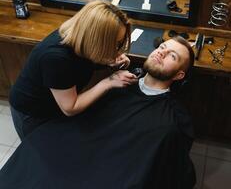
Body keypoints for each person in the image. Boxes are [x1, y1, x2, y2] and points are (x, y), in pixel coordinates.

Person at [0, 36, 196, 189]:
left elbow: (167, 171)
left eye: (172, 56)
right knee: (33, 160)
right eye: (162, 47)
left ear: (179, 75)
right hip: (74, 150)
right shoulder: (117, 83)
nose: (162, 53)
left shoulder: (172, 120)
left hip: (112, 173)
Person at [9, 0, 137, 140]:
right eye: (114, 43)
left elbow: (84, 61)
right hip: (32, 113)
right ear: (97, 39)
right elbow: (70, 107)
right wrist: (109, 82)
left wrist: (109, 60)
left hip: (55, 105)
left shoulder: (80, 37)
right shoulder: (56, 58)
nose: (116, 49)